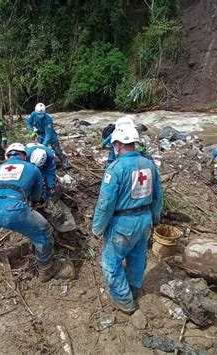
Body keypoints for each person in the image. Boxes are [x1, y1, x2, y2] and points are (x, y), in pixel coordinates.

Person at [92, 125, 163, 314]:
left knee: (111, 263)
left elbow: (105, 204)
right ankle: (135, 287)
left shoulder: (115, 169)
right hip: (145, 220)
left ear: (117, 145)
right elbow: (158, 197)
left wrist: (97, 228)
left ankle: (125, 301)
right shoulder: (149, 165)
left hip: (123, 224)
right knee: (138, 255)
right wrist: (155, 219)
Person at [0, 143, 62, 281]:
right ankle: (46, 270)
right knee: (44, 230)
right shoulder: (32, 168)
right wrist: (35, 203)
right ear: (24, 155)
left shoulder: (0, 167)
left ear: (7, 156)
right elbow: (37, 194)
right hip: (12, 209)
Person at [26, 103, 70, 169]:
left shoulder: (48, 119)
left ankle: (65, 161)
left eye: (41, 114)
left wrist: (44, 145)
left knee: (57, 150)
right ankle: (45, 163)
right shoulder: (33, 114)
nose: (40, 115)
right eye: (38, 114)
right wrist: (31, 132)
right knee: (42, 151)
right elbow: (28, 123)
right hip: (40, 134)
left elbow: (48, 135)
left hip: (51, 135)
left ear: (44, 112)